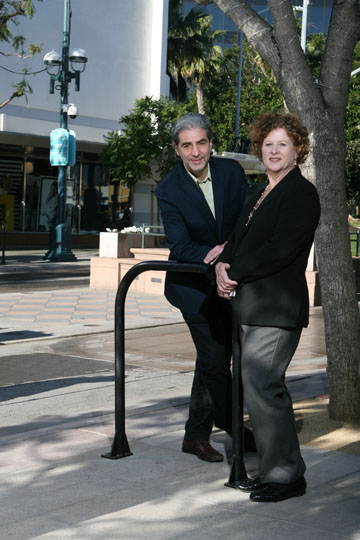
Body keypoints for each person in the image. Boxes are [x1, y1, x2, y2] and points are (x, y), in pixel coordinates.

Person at [215, 112, 321, 501]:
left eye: (283, 144)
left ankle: (286, 476)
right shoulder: (258, 192)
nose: (274, 151)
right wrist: (224, 264)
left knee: (264, 385)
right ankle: (276, 469)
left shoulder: (301, 194)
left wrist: (234, 270)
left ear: (297, 150)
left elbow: (280, 250)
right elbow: (237, 240)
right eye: (268, 144)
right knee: (255, 386)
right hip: (251, 305)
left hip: (277, 308)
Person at [155, 112, 251, 463]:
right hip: (193, 288)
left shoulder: (231, 172)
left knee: (214, 359)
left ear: (211, 143)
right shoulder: (168, 188)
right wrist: (215, 254)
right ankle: (232, 427)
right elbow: (179, 244)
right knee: (214, 361)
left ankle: (195, 436)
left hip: (230, 284)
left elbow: (245, 220)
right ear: (177, 150)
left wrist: (229, 252)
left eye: (201, 143)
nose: (195, 152)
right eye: (187, 145)